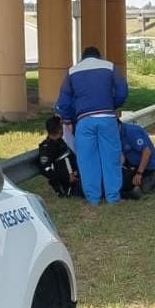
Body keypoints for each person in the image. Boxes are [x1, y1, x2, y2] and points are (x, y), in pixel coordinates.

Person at [55, 46, 129, 206]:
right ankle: (113, 197)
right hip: (107, 119)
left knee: (87, 160)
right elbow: (122, 90)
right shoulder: (110, 67)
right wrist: (113, 105)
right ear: (99, 56)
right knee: (111, 158)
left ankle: (93, 198)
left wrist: (67, 119)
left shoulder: (72, 72)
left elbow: (64, 100)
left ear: (83, 58)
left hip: (84, 121)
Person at [119, 119, 155, 199]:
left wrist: (139, 173)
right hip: (132, 166)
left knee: (135, 186)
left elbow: (147, 152)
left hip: (145, 166)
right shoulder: (116, 135)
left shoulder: (131, 131)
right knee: (119, 184)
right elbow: (122, 155)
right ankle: (133, 192)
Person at [38, 116, 82, 198]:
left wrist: (77, 171)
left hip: (77, 176)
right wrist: (67, 177)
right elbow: (45, 169)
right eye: (61, 125)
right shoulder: (47, 147)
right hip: (69, 184)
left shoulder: (60, 141)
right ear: (60, 129)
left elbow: (70, 158)